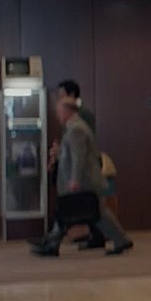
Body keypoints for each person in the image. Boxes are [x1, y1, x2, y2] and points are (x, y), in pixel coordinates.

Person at [30, 98, 132, 257]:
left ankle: (52, 244)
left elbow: (79, 157)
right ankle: (52, 243)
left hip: (84, 182)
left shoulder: (77, 129)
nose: (57, 115)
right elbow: (72, 154)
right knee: (95, 213)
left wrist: (75, 180)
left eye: (59, 111)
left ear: (67, 111)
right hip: (84, 181)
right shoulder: (74, 128)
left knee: (83, 212)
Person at [53, 79, 107, 250]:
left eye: (62, 95)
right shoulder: (73, 120)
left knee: (93, 209)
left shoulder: (81, 118)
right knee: (95, 209)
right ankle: (53, 239)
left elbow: (79, 151)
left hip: (84, 171)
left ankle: (53, 240)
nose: (59, 98)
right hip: (77, 170)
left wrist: (75, 177)